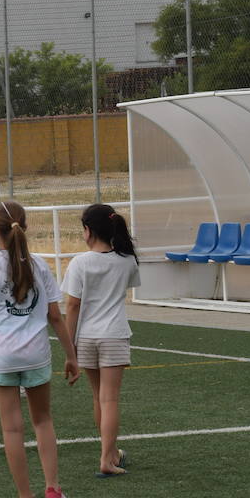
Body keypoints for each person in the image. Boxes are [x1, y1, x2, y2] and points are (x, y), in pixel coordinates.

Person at [0, 201, 79, 498]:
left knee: (12, 429)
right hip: (36, 356)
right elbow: (56, 318)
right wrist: (71, 357)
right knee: (43, 421)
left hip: (1, 357)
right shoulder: (41, 266)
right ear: (25, 227)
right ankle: (53, 489)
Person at [63, 203, 140, 478]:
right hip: (114, 334)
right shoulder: (127, 260)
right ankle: (108, 456)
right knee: (110, 400)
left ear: (88, 231)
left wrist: (69, 347)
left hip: (86, 336)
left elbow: (72, 306)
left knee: (99, 398)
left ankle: (110, 453)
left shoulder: (80, 262)